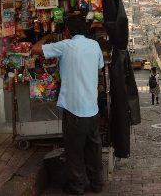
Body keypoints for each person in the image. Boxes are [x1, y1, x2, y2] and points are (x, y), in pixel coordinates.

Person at [31, 16, 104, 195]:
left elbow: (34, 49)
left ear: (68, 32)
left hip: (74, 109)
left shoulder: (65, 45)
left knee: (74, 151)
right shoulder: (95, 46)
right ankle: (97, 184)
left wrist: (46, 38)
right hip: (92, 109)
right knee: (93, 150)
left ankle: (77, 186)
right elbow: (99, 68)